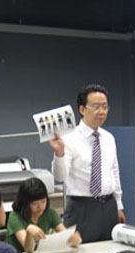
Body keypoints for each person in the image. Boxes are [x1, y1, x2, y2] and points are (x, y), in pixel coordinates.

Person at [49, 84, 126, 243]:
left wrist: (119, 205)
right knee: (80, 252)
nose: (102, 112)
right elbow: (60, 176)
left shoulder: (109, 138)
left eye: (105, 107)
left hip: (109, 206)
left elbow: (114, 172)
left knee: (110, 250)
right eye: (96, 107)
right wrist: (59, 153)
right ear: (82, 109)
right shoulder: (69, 138)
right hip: (82, 207)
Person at [6, 177, 81, 253]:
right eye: (34, 203)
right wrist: (29, 232)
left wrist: (74, 239)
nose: (40, 206)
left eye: (43, 201)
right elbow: (28, 249)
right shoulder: (15, 217)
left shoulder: (49, 212)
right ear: (25, 203)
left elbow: (65, 234)